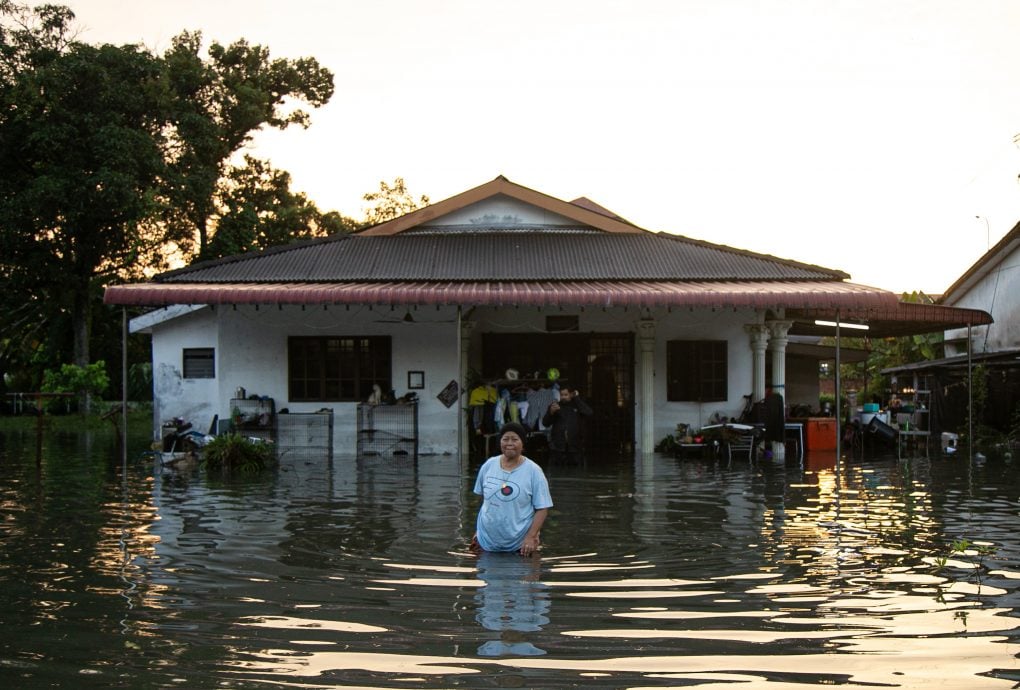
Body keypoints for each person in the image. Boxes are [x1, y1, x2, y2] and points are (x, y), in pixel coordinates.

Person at [472, 422, 552, 556]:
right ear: (500, 442)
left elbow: (543, 508)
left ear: (522, 444)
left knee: (522, 576)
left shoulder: (534, 471)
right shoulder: (489, 465)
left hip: (520, 545)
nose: (509, 443)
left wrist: (531, 536)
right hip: (485, 542)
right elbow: (483, 500)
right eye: (505, 439)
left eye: (515, 439)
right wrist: (478, 532)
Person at [542, 387, 593, 463]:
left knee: (575, 471)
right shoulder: (555, 406)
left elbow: (589, 413)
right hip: (558, 447)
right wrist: (551, 413)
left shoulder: (577, 406)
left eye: (566, 395)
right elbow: (545, 423)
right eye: (561, 395)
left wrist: (576, 398)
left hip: (575, 447)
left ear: (571, 395)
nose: (563, 397)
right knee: (557, 471)